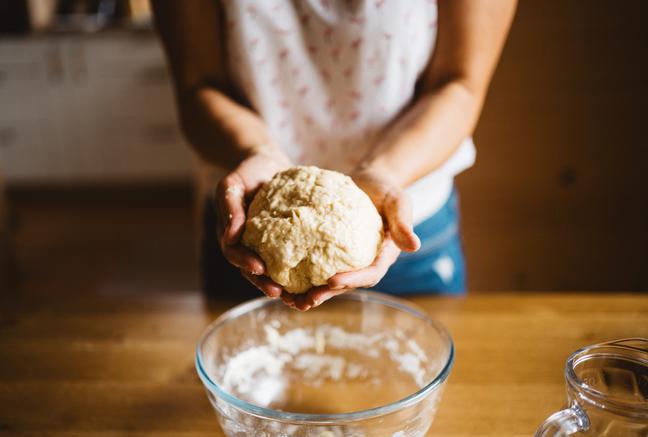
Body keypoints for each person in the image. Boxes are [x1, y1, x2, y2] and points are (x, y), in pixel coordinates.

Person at [151, 0, 516, 310]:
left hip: (408, 228)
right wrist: (256, 150)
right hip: (246, 223)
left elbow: (461, 83)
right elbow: (197, 84)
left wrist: (385, 171)